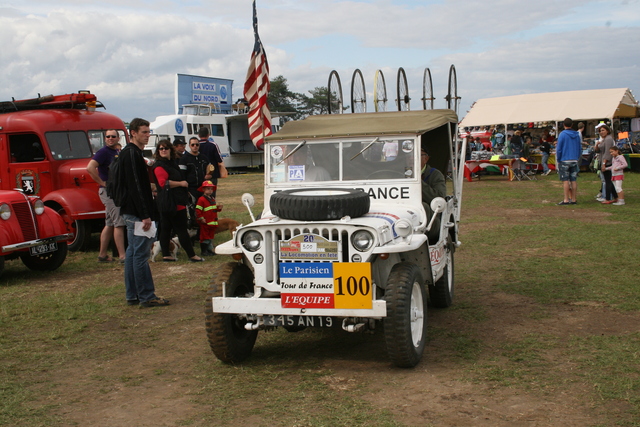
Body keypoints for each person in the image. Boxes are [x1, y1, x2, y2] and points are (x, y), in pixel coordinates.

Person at [120, 118, 169, 308]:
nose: (147, 135)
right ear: (133, 133)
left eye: (148, 132)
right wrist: (145, 214)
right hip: (137, 214)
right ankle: (146, 296)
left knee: (133, 254)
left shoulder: (130, 153)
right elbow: (135, 187)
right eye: (144, 132)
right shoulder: (131, 154)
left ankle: (133, 295)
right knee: (140, 255)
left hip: (132, 212)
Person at [152, 140, 204, 262]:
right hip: (171, 202)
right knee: (180, 229)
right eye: (160, 148)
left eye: (165, 148)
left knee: (166, 228)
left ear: (170, 149)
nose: (163, 150)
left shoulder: (172, 163)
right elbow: (163, 183)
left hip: (172, 200)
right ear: (158, 151)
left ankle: (166, 254)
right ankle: (192, 255)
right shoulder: (160, 165)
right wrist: (181, 183)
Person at [86, 129, 126, 263]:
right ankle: (122, 256)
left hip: (115, 191)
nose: (110, 138)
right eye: (108, 136)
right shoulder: (103, 152)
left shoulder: (116, 152)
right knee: (119, 223)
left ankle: (102, 255)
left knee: (109, 223)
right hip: (108, 192)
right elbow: (90, 167)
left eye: (113, 136)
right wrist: (102, 183)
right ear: (105, 139)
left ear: (118, 138)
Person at [555, 118, 582, 205]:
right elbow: (579, 147)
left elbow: (559, 148)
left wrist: (558, 159)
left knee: (565, 180)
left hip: (565, 159)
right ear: (572, 124)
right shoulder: (577, 134)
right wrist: (577, 157)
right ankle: (573, 199)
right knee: (573, 180)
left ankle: (566, 199)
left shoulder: (562, 134)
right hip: (574, 158)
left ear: (563, 124)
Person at [195, 180, 222, 256]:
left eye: (211, 189)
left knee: (210, 237)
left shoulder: (212, 198)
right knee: (204, 237)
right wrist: (201, 218)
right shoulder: (201, 199)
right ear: (203, 190)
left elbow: (212, 209)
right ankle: (204, 251)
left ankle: (209, 250)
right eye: (208, 189)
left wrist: (218, 208)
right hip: (206, 222)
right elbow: (198, 210)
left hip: (212, 222)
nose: (210, 191)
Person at [197, 127, 225, 196]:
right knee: (211, 194)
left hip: (199, 174)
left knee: (200, 195)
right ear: (208, 135)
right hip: (212, 174)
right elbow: (219, 159)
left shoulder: (195, 145)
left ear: (199, 135)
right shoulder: (213, 145)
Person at [595, 124, 618, 203]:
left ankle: (608, 198)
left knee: (607, 181)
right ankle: (615, 197)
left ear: (607, 131)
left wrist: (604, 163)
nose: (601, 132)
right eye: (600, 131)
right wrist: (597, 145)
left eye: (603, 130)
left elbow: (608, 152)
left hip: (607, 162)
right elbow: (598, 151)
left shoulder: (608, 139)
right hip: (603, 161)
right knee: (608, 180)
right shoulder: (603, 139)